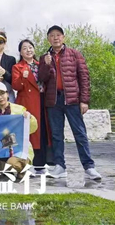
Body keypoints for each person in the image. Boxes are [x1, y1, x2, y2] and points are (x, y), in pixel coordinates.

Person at [39, 25, 101, 181]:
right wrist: (46, 65)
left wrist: (84, 100)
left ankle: (89, 167)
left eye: (58, 35)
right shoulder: (44, 57)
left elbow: (84, 77)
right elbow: (42, 79)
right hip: (53, 101)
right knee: (56, 135)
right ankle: (60, 166)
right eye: (52, 35)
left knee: (80, 133)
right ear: (48, 39)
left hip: (72, 99)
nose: (55, 38)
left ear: (63, 37)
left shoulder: (74, 54)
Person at [12, 39, 52, 171]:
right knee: (30, 132)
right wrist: (23, 78)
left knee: (42, 131)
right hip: (27, 102)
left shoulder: (40, 64)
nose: (28, 50)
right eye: (24, 48)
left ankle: (41, 163)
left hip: (42, 100)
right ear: (20, 52)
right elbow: (16, 86)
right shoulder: (17, 67)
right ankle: (29, 162)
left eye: (30, 47)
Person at [0, 82, 37, 180]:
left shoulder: (19, 110)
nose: (0, 97)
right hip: (1, 149)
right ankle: (7, 171)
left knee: (12, 163)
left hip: (18, 148)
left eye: (2, 93)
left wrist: (29, 118)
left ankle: (22, 169)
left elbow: (32, 128)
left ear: (7, 94)